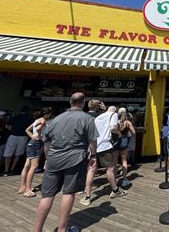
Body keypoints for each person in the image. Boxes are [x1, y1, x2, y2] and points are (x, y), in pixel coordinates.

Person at [33, 93, 99, 232]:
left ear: (70, 102)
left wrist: (48, 158)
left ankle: (37, 229)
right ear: (84, 102)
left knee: (47, 195)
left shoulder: (57, 118)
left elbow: (46, 141)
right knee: (68, 193)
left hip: (54, 159)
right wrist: (93, 155)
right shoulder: (87, 118)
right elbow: (92, 140)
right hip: (75, 159)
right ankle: (62, 229)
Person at [95, 106, 127, 199]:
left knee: (107, 168)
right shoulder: (114, 115)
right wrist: (119, 134)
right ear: (115, 111)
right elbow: (113, 128)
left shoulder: (98, 117)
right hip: (106, 145)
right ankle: (115, 190)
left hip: (98, 145)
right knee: (110, 168)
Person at [19, 107, 52, 197]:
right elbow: (38, 129)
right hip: (37, 144)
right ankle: (28, 189)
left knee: (27, 166)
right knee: (34, 167)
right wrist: (39, 136)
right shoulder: (42, 120)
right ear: (48, 114)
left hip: (31, 143)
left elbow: (27, 129)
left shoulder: (37, 119)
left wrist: (33, 136)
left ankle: (22, 186)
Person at [79, 99, 107, 206]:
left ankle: (80, 187)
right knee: (91, 169)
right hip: (94, 144)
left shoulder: (83, 116)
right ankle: (88, 195)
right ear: (97, 106)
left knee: (82, 168)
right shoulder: (101, 116)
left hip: (81, 145)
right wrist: (104, 108)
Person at [3, 106, 35, 175]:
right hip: (23, 137)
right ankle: (12, 169)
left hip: (13, 135)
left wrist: (14, 130)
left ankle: (6, 170)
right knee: (18, 154)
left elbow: (8, 127)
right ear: (28, 111)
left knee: (8, 153)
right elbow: (32, 128)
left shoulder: (15, 117)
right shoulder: (30, 118)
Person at [115, 107, 136, 188]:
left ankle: (114, 178)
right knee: (124, 161)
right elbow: (133, 132)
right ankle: (124, 179)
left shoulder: (115, 121)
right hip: (124, 141)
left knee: (115, 161)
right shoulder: (127, 122)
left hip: (115, 142)